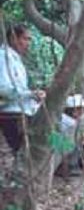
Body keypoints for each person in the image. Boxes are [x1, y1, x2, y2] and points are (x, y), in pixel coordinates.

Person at [0, 23, 45, 153]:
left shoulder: (15, 59)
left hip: (24, 112)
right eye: (26, 39)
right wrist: (31, 94)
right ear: (14, 38)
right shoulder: (3, 57)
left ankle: (69, 158)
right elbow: (3, 89)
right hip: (13, 114)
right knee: (26, 150)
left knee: (51, 136)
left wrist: (33, 97)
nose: (28, 43)